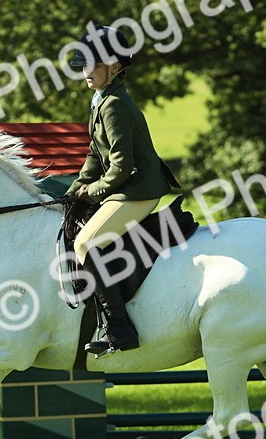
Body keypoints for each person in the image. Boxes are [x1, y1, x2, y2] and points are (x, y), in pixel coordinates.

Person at [64, 24, 180, 353]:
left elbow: (119, 166)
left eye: (93, 64)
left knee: (86, 242)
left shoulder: (114, 105)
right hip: (123, 185)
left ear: (114, 67)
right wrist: (74, 188)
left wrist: (92, 191)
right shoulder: (100, 99)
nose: (86, 71)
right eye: (84, 64)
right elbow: (93, 154)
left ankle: (119, 330)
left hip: (137, 189)